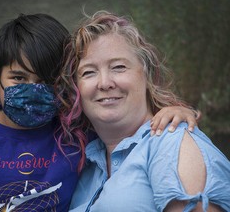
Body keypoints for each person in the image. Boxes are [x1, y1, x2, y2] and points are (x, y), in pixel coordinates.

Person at [0, 13, 199, 212]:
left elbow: (125, 121)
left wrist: (170, 109)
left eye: (47, 80)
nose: (32, 90)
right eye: (18, 78)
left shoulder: (74, 129)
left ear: (65, 82)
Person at [56, 11, 230, 211]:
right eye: (88, 72)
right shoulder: (85, 164)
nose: (104, 83)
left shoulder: (170, 140)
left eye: (119, 67)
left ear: (146, 75)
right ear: (76, 88)